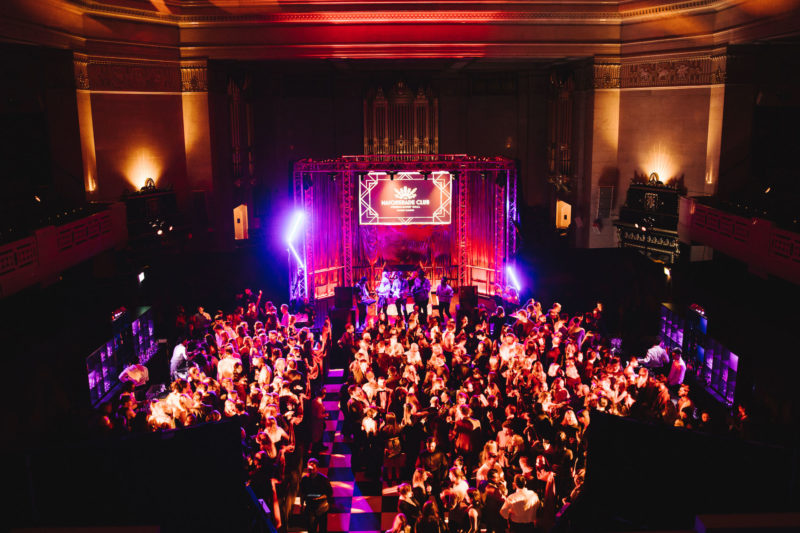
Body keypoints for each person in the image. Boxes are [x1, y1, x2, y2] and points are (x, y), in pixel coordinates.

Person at [299, 458, 332, 533]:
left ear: (317, 468)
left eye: (313, 467)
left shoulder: (324, 479)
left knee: (322, 529)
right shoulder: (304, 480)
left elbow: (329, 493)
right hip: (310, 508)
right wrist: (301, 505)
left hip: (322, 507)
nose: (311, 470)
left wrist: (319, 498)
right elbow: (303, 493)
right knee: (311, 529)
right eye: (309, 468)